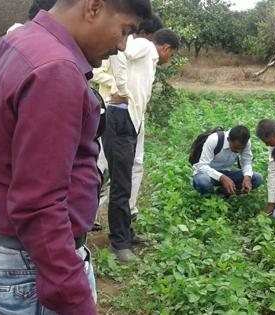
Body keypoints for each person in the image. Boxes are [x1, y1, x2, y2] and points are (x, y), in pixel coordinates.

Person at [0, 0, 151, 314]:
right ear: (94, 7)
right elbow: (39, 204)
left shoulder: (13, 44)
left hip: (4, 245)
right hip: (33, 264)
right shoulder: (55, 70)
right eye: (124, 30)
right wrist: (74, 297)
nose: (123, 46)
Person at [102, 28, 179, 263]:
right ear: (166, 48)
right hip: (119, 119)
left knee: (126, 181)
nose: (170, 59)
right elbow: (117, 48)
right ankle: (119, 244)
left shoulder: (148, 59)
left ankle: (125, 233)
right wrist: (122, 90)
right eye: (172, 54)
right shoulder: (145, 47)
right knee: (121, 184)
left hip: (129, 121)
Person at [93, 13, 163, 206]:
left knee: (133, 164)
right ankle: (93, 208)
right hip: (114, 109)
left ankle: (128, 208)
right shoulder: (128, 48)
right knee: (105, 165)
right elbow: (97, 73)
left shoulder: (140, 52)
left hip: (132, 112)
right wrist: (120, 88)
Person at [192, 125, 263, 196]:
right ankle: (210, 197)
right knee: (203, 181)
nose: (239, 151)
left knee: (257, 178)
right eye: (236, 148)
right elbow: (202, 166)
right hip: (207, 174)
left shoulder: (245, 142)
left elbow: (246, 161)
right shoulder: (214, 140)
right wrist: (222, 178)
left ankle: (223, 193)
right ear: (228, 139)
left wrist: (247, 177)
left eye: (242, 148)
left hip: (227, 172)